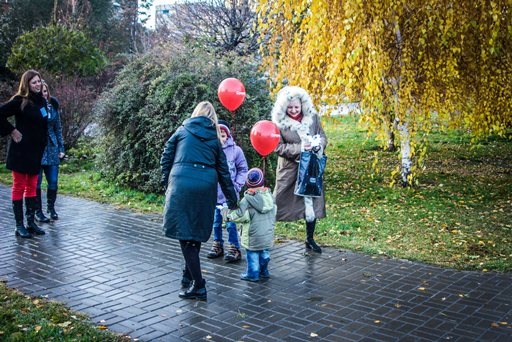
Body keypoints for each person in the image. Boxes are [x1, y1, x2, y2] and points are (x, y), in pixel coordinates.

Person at [160, 101, 238, 301]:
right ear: (212, 118)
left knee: (183, 234)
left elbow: (166, 155)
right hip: (205, 187)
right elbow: (224, 172)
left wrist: (166, 181)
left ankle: (199, 285)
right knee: (193, 232)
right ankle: (189, 276)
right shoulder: (215, 139)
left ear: (195, 113)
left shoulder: (182, 130)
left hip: (181, 184)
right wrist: (232, 199)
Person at [271, 86, 328, 253]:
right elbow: (278, 147)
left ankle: (310, 238)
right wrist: (301, 147)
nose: (294, 110)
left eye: (297, 107)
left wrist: (319, 145)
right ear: (283, 107)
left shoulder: (313, 117)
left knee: (312, 202)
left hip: (310, 167)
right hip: (290, 170)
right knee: (278, 203)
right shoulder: (278, 123)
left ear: (302, 104)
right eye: (290, 108)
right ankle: (264, 235)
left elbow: (323, 136)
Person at [0, 70, 48, 238]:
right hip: (21, 152)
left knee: (32, 186)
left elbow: (43, 125)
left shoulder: (42, 101)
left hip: (35, 152)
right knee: (19, 186)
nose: (37, 84)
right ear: (27, 84)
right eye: (34, 82)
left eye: (39, 81)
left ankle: (31, 222)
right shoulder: (20, 101)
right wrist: (12, 131)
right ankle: (19, 225)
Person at [206, 119, 248, 263]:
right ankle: (217, 245)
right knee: (216, 223)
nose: (221, 139)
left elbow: (243, 169)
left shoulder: (236, 151)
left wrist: (237, 185)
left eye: (223, 135)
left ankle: (234, 248)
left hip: (229, 196)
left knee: (230, 223)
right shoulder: (211, 150)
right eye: (218, 135)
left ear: (228, 136)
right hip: (214, 196)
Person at [227, 167, 276, 282]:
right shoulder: (270, 197)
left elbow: (240, 215)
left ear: (248, 184)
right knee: (264, 253)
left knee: (253, 254)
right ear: (262, 181)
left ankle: (253, 274)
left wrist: (227, 213)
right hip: (267, 234)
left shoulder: (247, 199)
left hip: (252, 235)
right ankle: (264, 272)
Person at [35, 81, 65, 223]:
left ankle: (51, 207)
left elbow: (58, 129)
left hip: (52, 148)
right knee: (37, 183)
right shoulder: (33, 107)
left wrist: (61, 148)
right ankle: (38, 211)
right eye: (41, 92)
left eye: (45, 91)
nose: (43, 94)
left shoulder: (53, 107)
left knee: (53, 181)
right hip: (38, 149)